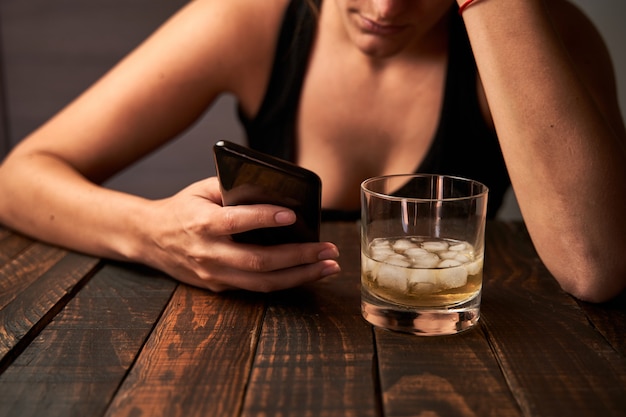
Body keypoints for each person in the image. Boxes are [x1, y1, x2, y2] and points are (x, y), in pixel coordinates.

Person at [0, 0, 625, 302]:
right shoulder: (255, 18)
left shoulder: (537, 32)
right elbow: (17, 178)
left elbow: (595, 265)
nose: (384, 9)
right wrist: (152, 232)